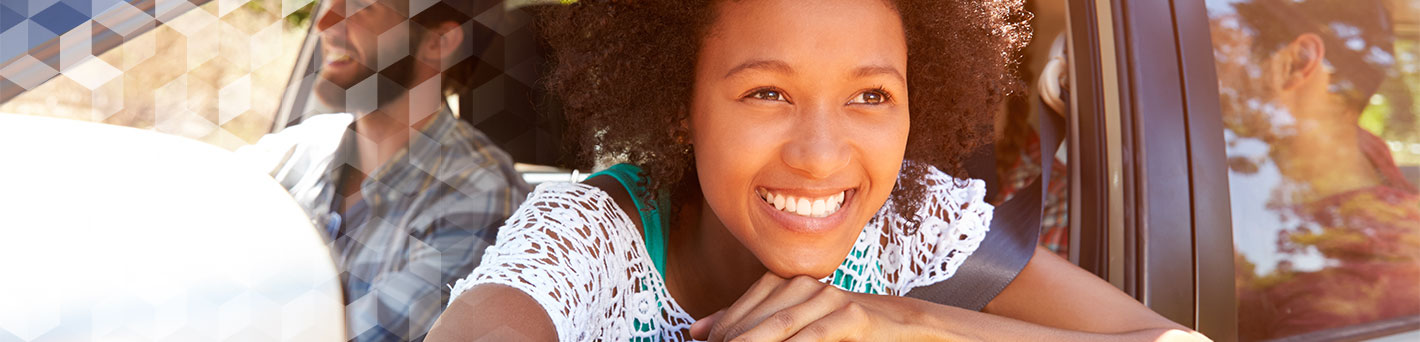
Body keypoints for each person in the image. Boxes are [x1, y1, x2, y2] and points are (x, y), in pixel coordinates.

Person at [428, 0, 1208, 340]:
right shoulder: (588, 242)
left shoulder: (909, 217)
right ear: (679, 104)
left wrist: (909, 323)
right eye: (768, 92)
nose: (822, 156)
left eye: (871, 95)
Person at [235, 0, 529, 340]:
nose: (325, 23)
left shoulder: (480, 195)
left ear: (438, 43)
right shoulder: (297, 151)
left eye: (360, 6)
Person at [1208, 0, 1420, 339]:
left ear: (1297, 63)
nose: (1207, 84)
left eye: (1215, 54)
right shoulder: (1358, 152)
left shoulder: (1339, 295)